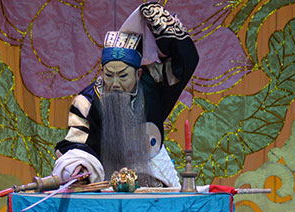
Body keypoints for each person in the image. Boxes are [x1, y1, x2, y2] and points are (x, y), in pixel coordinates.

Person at [53, 2, 199, 188]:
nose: (114, 84)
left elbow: (185, 61)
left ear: (138, 74)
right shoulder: (87, 102)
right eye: (108, 75)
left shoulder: (152, 83)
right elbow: (76, 145)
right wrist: (79, 167)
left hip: (154, 176)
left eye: (122, 76)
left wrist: (157, 17)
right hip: (106, 182)